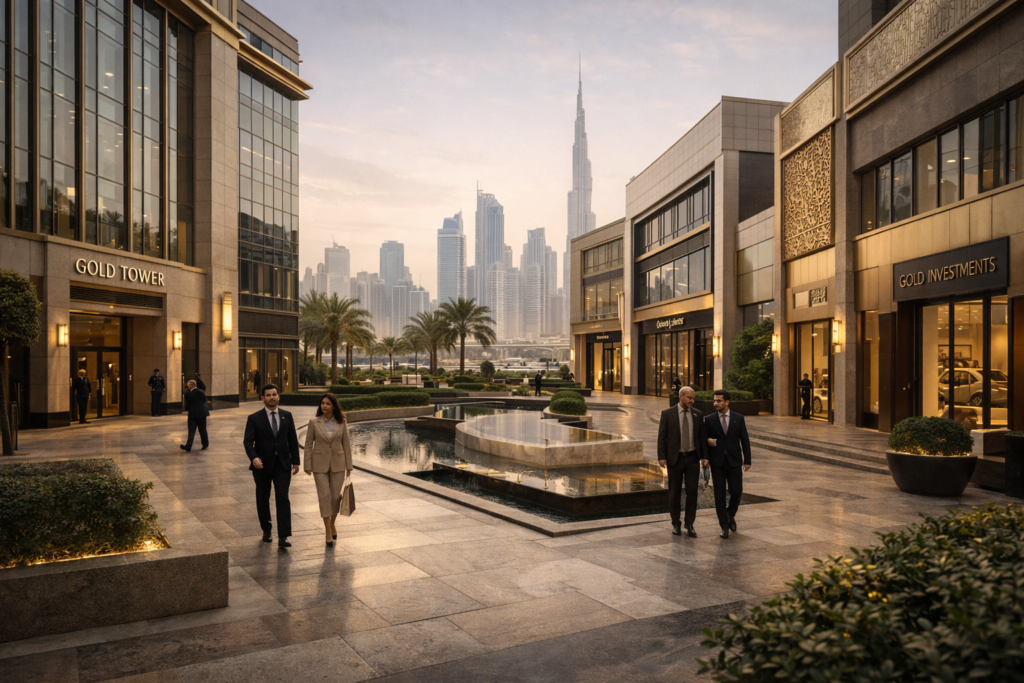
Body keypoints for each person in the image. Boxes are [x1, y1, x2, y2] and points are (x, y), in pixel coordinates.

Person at [243, 384, 300, 548]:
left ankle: (283, 536)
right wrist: (254, 458)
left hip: (283, 465)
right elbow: (248, 441)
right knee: (263, 499)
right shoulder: (254, 418)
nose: (272, 397)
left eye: (274, 394)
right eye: (268, 395)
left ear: (278, 396)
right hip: (262, 467)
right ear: (263, 398)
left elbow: (293, 440)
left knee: (282, 498)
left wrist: (295, 461)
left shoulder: (287, 416)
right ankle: (266, 529)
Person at [656, 386, 709, 537]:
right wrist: (661, 456)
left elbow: (702, 438)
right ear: (681, 397)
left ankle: (690, 523)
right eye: (689, 398)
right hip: (675, 459)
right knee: (675, 492)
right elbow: (662, 437)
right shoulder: (668, 413)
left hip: (692, 458)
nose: (692, 401)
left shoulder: (698, 414)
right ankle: (675, 524)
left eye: (693, 398)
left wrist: (705, 457)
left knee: (692, 492)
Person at [303, 393, 353, 547]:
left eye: (328, 404)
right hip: (319, 465)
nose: (324, 406)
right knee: (324, 496)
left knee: (335, 498)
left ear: (334, 406)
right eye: (322, 403)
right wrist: (307, 465)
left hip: (338, 464)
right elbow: (308, 444)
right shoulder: (313, 422)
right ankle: (327, 531)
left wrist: (349, 466)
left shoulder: (342, 422)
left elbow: (346, 445)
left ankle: (332, 524)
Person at [705, 390, 751, 539]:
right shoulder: (710, 419)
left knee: (736, 491)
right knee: (719, 495)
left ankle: (730, 513)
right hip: (717, 462)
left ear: (727, 402)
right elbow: (703, 438)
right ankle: (724, 526)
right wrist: (706, 445)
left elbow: (744, 440)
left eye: (718, 401)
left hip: (734, 461)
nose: (715, 403)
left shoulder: (739, 418)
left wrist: (747, 460)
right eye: (714, 401)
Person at [180, 380, 210, 452]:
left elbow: (187, 405)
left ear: (189, 386)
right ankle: (205, 444)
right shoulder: (201, 392)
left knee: (191, 431)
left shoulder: (188, 394)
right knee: (202, 430)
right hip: (202, 414)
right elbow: (203, 401)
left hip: (193, 414)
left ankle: (188, 445)